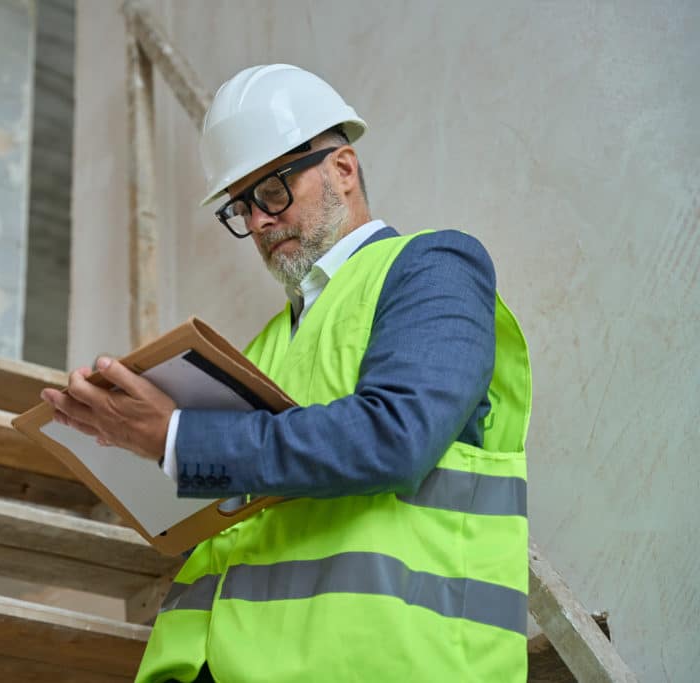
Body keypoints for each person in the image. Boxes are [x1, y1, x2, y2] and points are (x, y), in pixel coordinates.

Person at [41, 64, 531, 682]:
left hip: (382, 660)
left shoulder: (432, 265)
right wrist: (138, 448)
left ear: (344, 169)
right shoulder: (261, 348)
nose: (260, 221)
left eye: (273, 191)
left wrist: (178, 438)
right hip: (217, 662)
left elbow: (399, 436)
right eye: (241, 207)